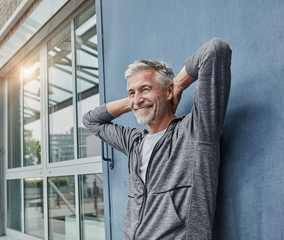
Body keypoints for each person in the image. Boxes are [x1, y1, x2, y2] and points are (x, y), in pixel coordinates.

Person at [83, 38, 231, 239]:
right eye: (131, 92)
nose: (137, 98)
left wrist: (177, 85)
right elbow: (91, 121)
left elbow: (215, 51)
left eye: (145, 89)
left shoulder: (196, 131)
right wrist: (135, 101)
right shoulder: (134, 142)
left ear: (168, 91)